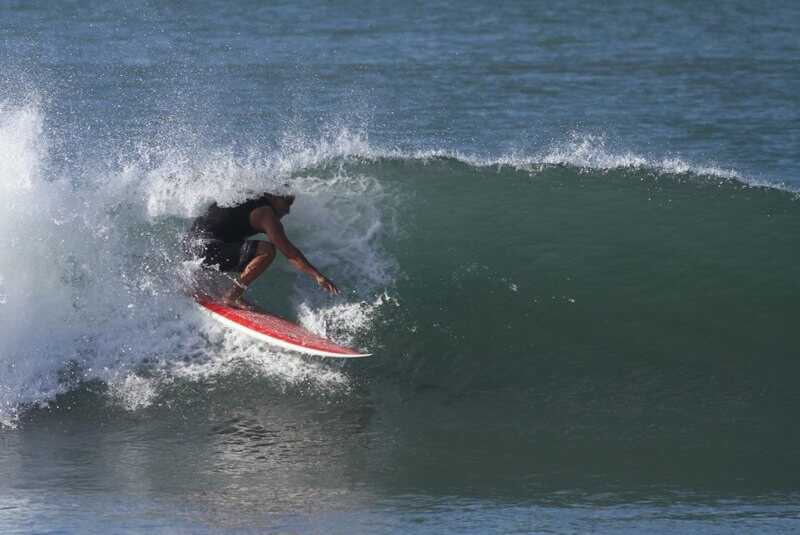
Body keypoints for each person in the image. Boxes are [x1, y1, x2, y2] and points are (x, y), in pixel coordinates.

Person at [185, 193, 338, 309]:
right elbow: (288, 251)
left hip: (190, 246)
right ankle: (232, 296)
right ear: (274, 197)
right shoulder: (265, 214)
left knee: (235, 241)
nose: (288, 211)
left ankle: (195, 285)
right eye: (287, 203)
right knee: (267, 250)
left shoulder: (246, 197)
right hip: (207, 249)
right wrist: (317, 275)